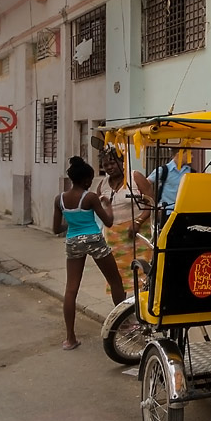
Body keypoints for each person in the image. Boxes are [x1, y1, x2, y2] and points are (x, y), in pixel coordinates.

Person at [52, 156, 126, 350]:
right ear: (86, 180)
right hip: (94, 240)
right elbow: (108, 222)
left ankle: (70, 339)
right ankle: (125, 326)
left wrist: (73, 223)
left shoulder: (60, 199)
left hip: (73, 242)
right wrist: (107, 206)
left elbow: (56, 229)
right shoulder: (90, 197)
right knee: (115, 281)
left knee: (71, 289)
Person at [94, 148, 154, 296]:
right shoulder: (102, 185)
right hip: (114, 239)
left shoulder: (135, 177)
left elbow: (152, 203)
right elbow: (99, 210)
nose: (109, 167)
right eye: (105, 165)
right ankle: (121, 309)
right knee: (116, 278)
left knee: (142, 275)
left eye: (113, 163)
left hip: (138, 235)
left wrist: (138, 221)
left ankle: (142, 306)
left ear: (122, 162)